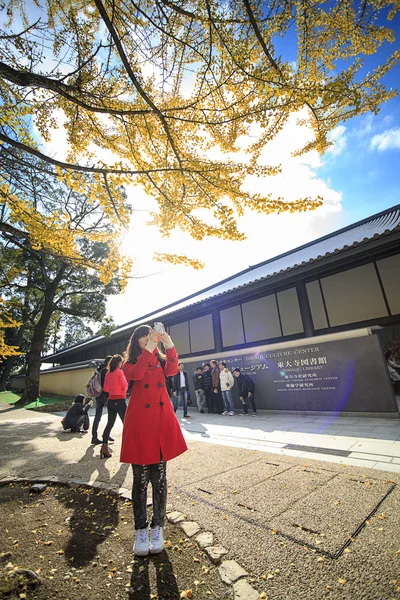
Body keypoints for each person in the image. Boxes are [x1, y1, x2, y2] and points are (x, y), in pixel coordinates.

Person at [121, 325, 187, 556]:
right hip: (140, 423)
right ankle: (140, 529)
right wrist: (150, 346)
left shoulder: (159, 359)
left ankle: (157, 526)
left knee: (159, 479)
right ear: (136, 339)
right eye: (143, 335)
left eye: (150, 334)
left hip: (159, 421)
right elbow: (137, 374)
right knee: (139, 480)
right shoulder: (128, 363)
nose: (147, 338)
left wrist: (168, 344)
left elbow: (172, 371)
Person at [100, 355, 128, 459]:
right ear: (119, 363)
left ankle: (104, 446)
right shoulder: (120, 372)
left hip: (111, 400)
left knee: (110, 424)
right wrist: (122, 391)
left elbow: (106, 388)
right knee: (126, 423)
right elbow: (125, 385)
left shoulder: (108, 374)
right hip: (120, 400)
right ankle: (128, 447)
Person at [91, 355, 113, 445]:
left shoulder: (99, 369)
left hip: (98, 395)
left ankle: (94, 436)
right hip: (105, 395)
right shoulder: (106, 371)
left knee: (97, 416)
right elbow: (107, 385)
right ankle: (106, 435)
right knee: (111, 416)